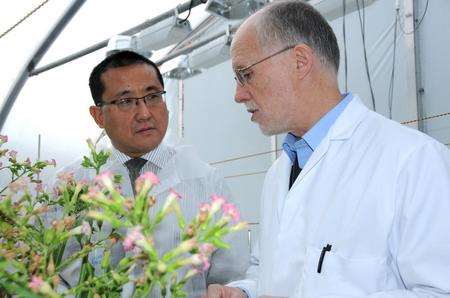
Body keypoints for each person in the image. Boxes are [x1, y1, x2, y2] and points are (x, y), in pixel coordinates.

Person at [206, 1, 450, 297]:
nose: (238, 94)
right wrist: (244, 292)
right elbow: (273, 270)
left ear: (299, 61)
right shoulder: (278, 173)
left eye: (246, 74)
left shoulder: (414, 162)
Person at [59, 50, 249, 297]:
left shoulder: (205, 181)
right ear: (98, 116)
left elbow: (236, 275)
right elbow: (54, 272)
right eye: (126, 101)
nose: (145, 113)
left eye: (153, 96)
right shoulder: (71, 185)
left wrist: (236, 291)